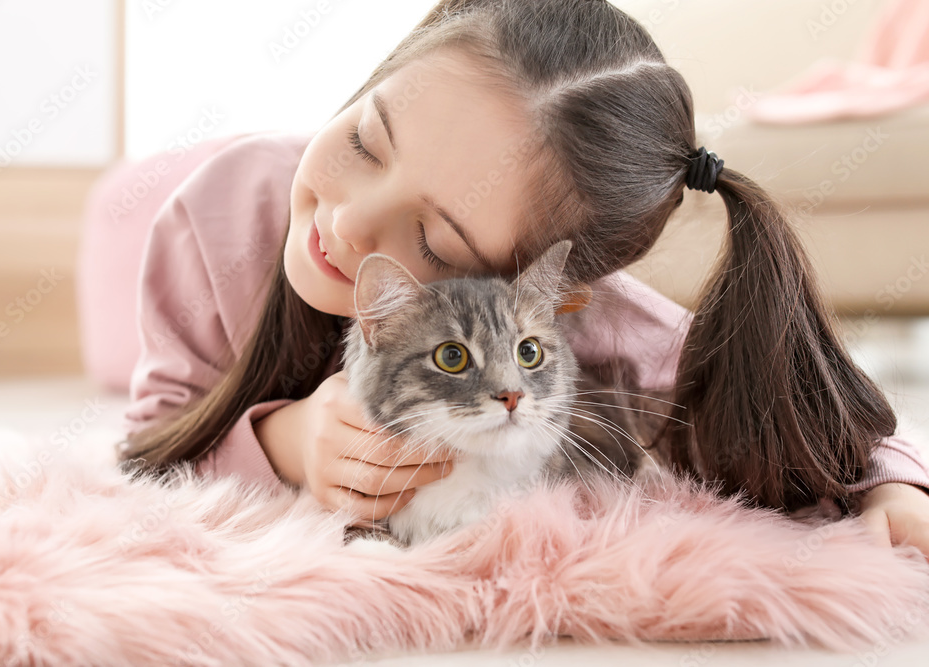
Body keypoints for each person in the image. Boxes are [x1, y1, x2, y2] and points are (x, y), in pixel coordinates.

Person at [117, 0, 929, 556]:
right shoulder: (219, 211)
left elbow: (808, 405)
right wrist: (285, 441)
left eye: (436, 239)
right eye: (368, 139)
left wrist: (891, 492)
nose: (351, 222)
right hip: (157, 222)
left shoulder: (570, 317)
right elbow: (153, 439)